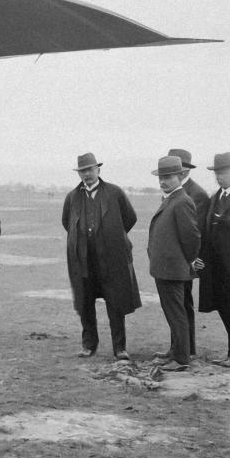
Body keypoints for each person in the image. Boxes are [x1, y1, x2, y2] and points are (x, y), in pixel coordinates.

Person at [61, 153, 140, 361]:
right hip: (84, 261)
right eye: (82, 171)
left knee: (115, 304)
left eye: (90, 169)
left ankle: (119, 348)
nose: (87, 174)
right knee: (85, 303)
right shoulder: (72, 197)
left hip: (111, 260)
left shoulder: (115, 193)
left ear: (98, 170)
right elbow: (66, 223)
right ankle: (89, 345)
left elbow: (129, 219)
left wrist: (110, 237)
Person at [147, 155, 201, 372]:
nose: (163, 181)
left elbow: (192, 237)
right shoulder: (170, 198)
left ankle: (181, 359)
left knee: (177, 314)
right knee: (173, 313)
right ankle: (177, 351)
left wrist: (186, 262)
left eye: (169, 177)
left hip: (173, 269)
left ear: (180, 176)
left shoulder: (182, 201)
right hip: (165, 269)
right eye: (161, 177)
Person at [192, 152, 230, 368]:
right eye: (216, 173)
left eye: (223, 172)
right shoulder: (215, 197)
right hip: (216, 266)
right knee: (223, 306)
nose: (219, 177)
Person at [168, 148, 209, 357]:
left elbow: (196, 233)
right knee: (177, 305)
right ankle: (177, 348)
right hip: (174, 259)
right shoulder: (173, 191)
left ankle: (187, 350)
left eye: (178, 166)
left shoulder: (197, 194)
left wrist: (189, 262)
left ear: (186, 169)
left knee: (183, 305)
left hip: (186, 260)